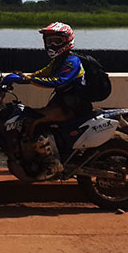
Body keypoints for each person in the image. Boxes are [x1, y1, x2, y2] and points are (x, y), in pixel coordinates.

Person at [16, 21, 91, 180]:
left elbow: (58, 81)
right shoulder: (58, 60)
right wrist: (21, 77)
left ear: (67, 41)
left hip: (73, 106)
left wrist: (30, 81)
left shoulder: (72, 61)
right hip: (62, 103)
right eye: (49, 41)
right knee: (31, 120)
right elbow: (42, 73)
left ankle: (53, 164)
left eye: (57, 41)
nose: (52, 45)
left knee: (33, 120)